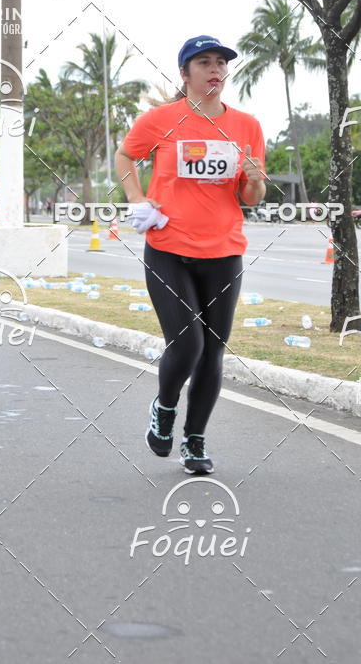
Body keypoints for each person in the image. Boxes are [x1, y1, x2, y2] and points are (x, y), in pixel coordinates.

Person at [114, 35, 267, 475]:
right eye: (204, 62)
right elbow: (126, 155)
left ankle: (195, 440)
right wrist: (136, 198)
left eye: (221, 62)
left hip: (223, 251)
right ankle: (164, 408)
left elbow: (250, 196)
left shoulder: (247, 127)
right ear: (185, 73)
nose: (215, 69)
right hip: (169, 249)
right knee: (188, 343)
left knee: (214, 350)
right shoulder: (162, 120)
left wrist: (255, 180)